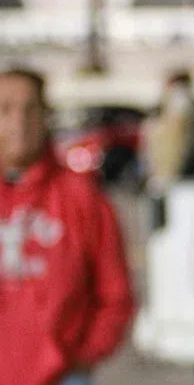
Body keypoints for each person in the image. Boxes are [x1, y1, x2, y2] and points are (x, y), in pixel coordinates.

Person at [0, 68, 135, 385]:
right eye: (5, 108)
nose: (19, 121)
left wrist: (83, 357)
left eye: (31, 108)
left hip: (60, 376)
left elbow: (115, 295)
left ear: (46, 116)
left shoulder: (82, 197)